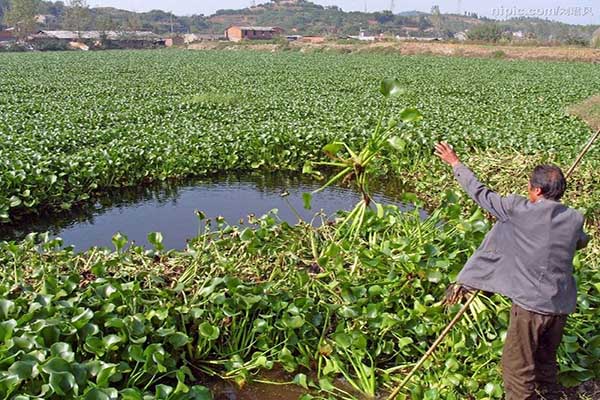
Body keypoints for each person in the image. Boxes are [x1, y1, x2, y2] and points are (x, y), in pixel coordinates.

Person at [434, 142, 590, 400]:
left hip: (531, 308)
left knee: (517, 370)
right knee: (545, 362)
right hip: (560, 306)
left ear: (537, 190)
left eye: (530, 187)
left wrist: (455, 163)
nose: (527, 191)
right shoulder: (574, 219)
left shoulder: (517, 209)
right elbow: (581, 242)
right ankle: (551, 395)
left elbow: (480, 193)